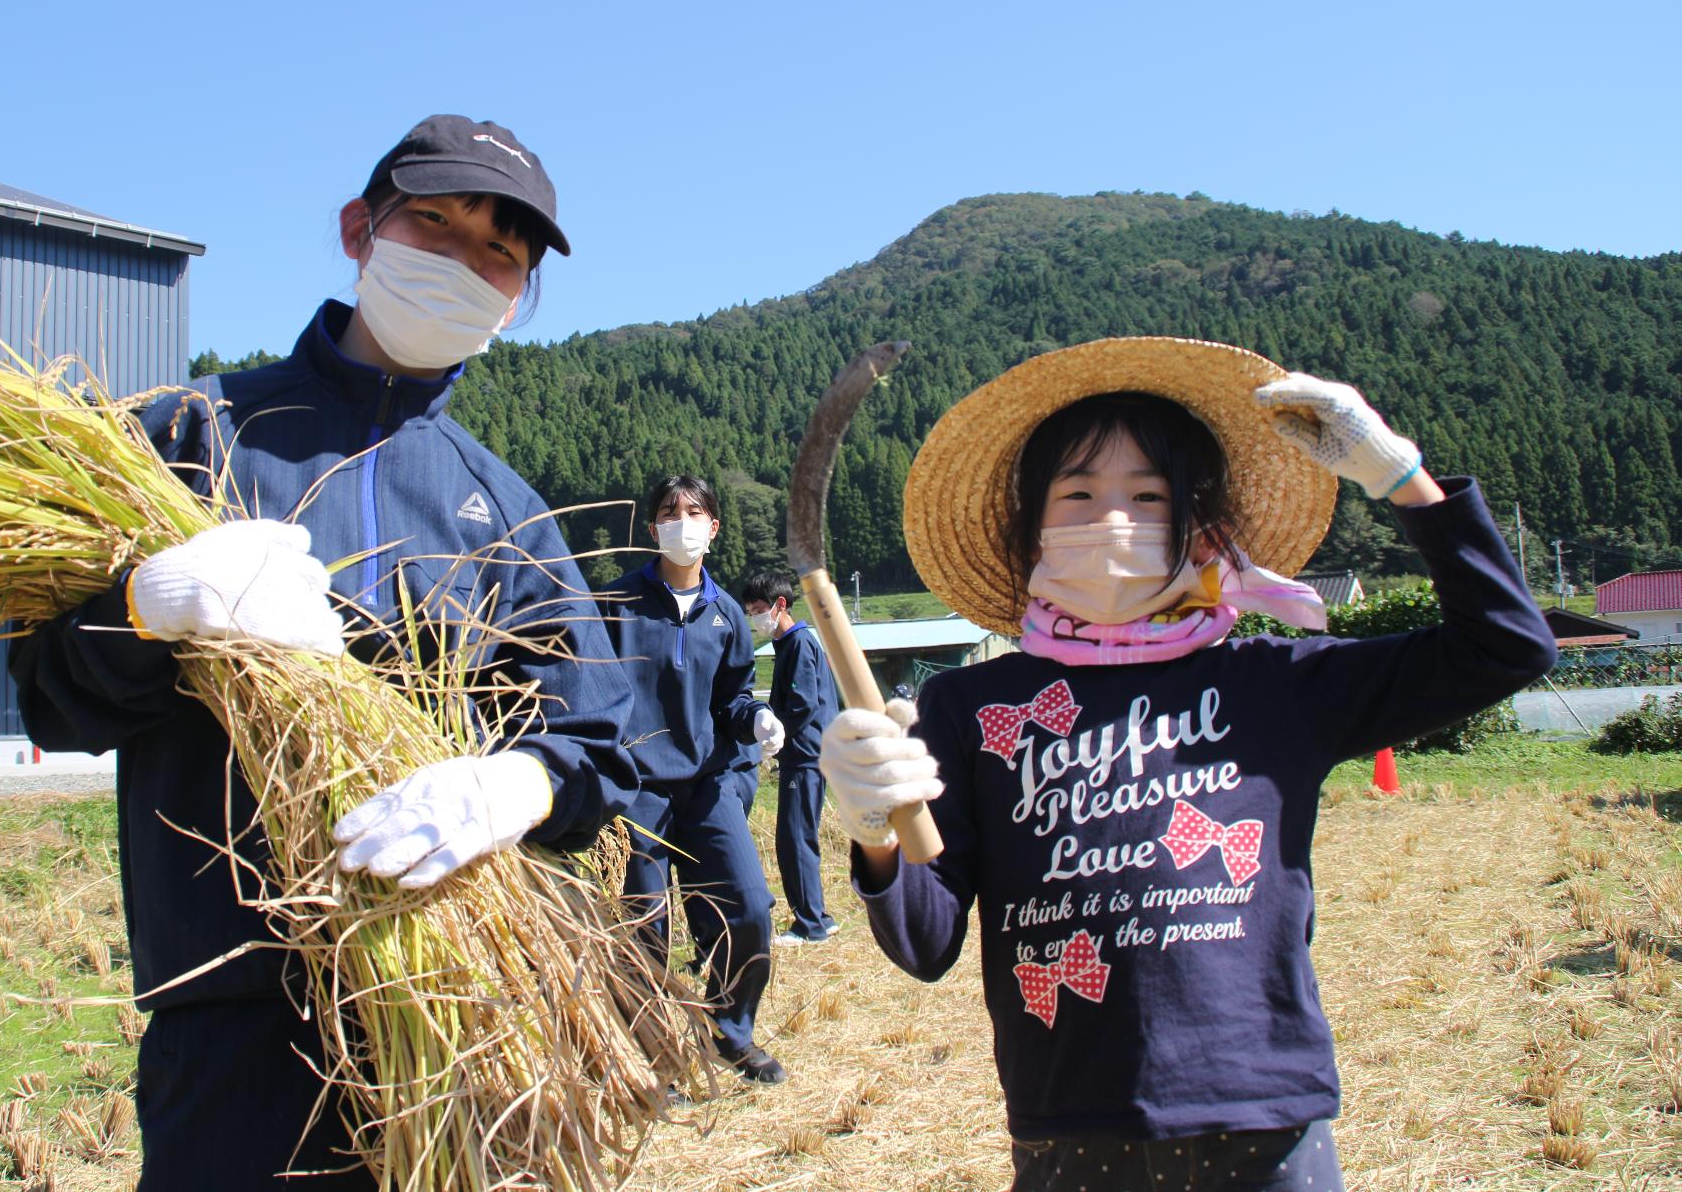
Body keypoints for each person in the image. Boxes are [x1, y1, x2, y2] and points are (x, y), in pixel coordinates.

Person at [12, 115, 639, 1190]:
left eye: (501, 252)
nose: (462, 262)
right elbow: (50, 700)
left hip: (453, 1009)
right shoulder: (186, 438)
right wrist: (142, 609)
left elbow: (595, 741)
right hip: (229, 1015)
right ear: (359, 229)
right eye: (432, 223)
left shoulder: (504, 511)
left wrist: (519, 783)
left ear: (518, 294)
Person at [818, 336, 1555, 1191]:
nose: (1116, 519)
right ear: (1029, 525)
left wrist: (1398, 475)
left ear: (1198, 521)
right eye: (1080, 493)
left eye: (1149, 494)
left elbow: (1505, 646)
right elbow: (925, 938)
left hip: (1265, 1121)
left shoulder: (1279, 685)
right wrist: (873, 828)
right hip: (1071, 1130)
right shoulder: (972, 707)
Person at [601, 474, 788, 1083]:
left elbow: (732, 698)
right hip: (637, 789)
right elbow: (591, 693)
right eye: (669, 511)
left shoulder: (727, 613)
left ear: (713, 527)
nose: (681, 521)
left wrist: (757, 715)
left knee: (751, 907)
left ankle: (728, 1030)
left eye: (694, 511)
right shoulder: (617, 606)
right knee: (642, 923)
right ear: (652, 527)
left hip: (708, 784)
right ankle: (650, 1056)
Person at [739, 569, 841, 946]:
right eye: (749, 610)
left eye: (759, 608)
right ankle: (819, 916)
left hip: (805, 754)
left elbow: (802, 705)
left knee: (794, 839)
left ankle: (810, 923)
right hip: (811, 753)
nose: (755, 617)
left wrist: (774, 735)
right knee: (800, 836)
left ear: (781, 605)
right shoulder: (794, 644)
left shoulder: (797, 644)